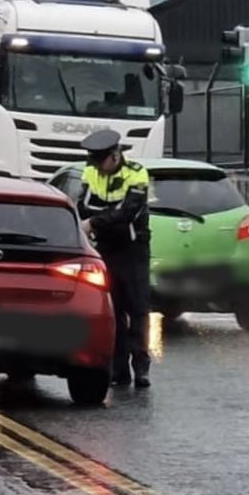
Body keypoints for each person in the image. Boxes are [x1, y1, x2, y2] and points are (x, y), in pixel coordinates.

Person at [77, 128, 151, 388]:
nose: (98, 166)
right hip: (106, 248)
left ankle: (141, 367)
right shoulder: (91, 172)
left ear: (115, 155)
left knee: (138, 310)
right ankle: (119, 370)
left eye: (101, 160)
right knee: (114, 310)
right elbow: (83, 207)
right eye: (94, 160)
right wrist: (110, 216)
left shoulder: (137, 173)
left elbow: (129, 212)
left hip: (133, 249)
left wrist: (96, 220)